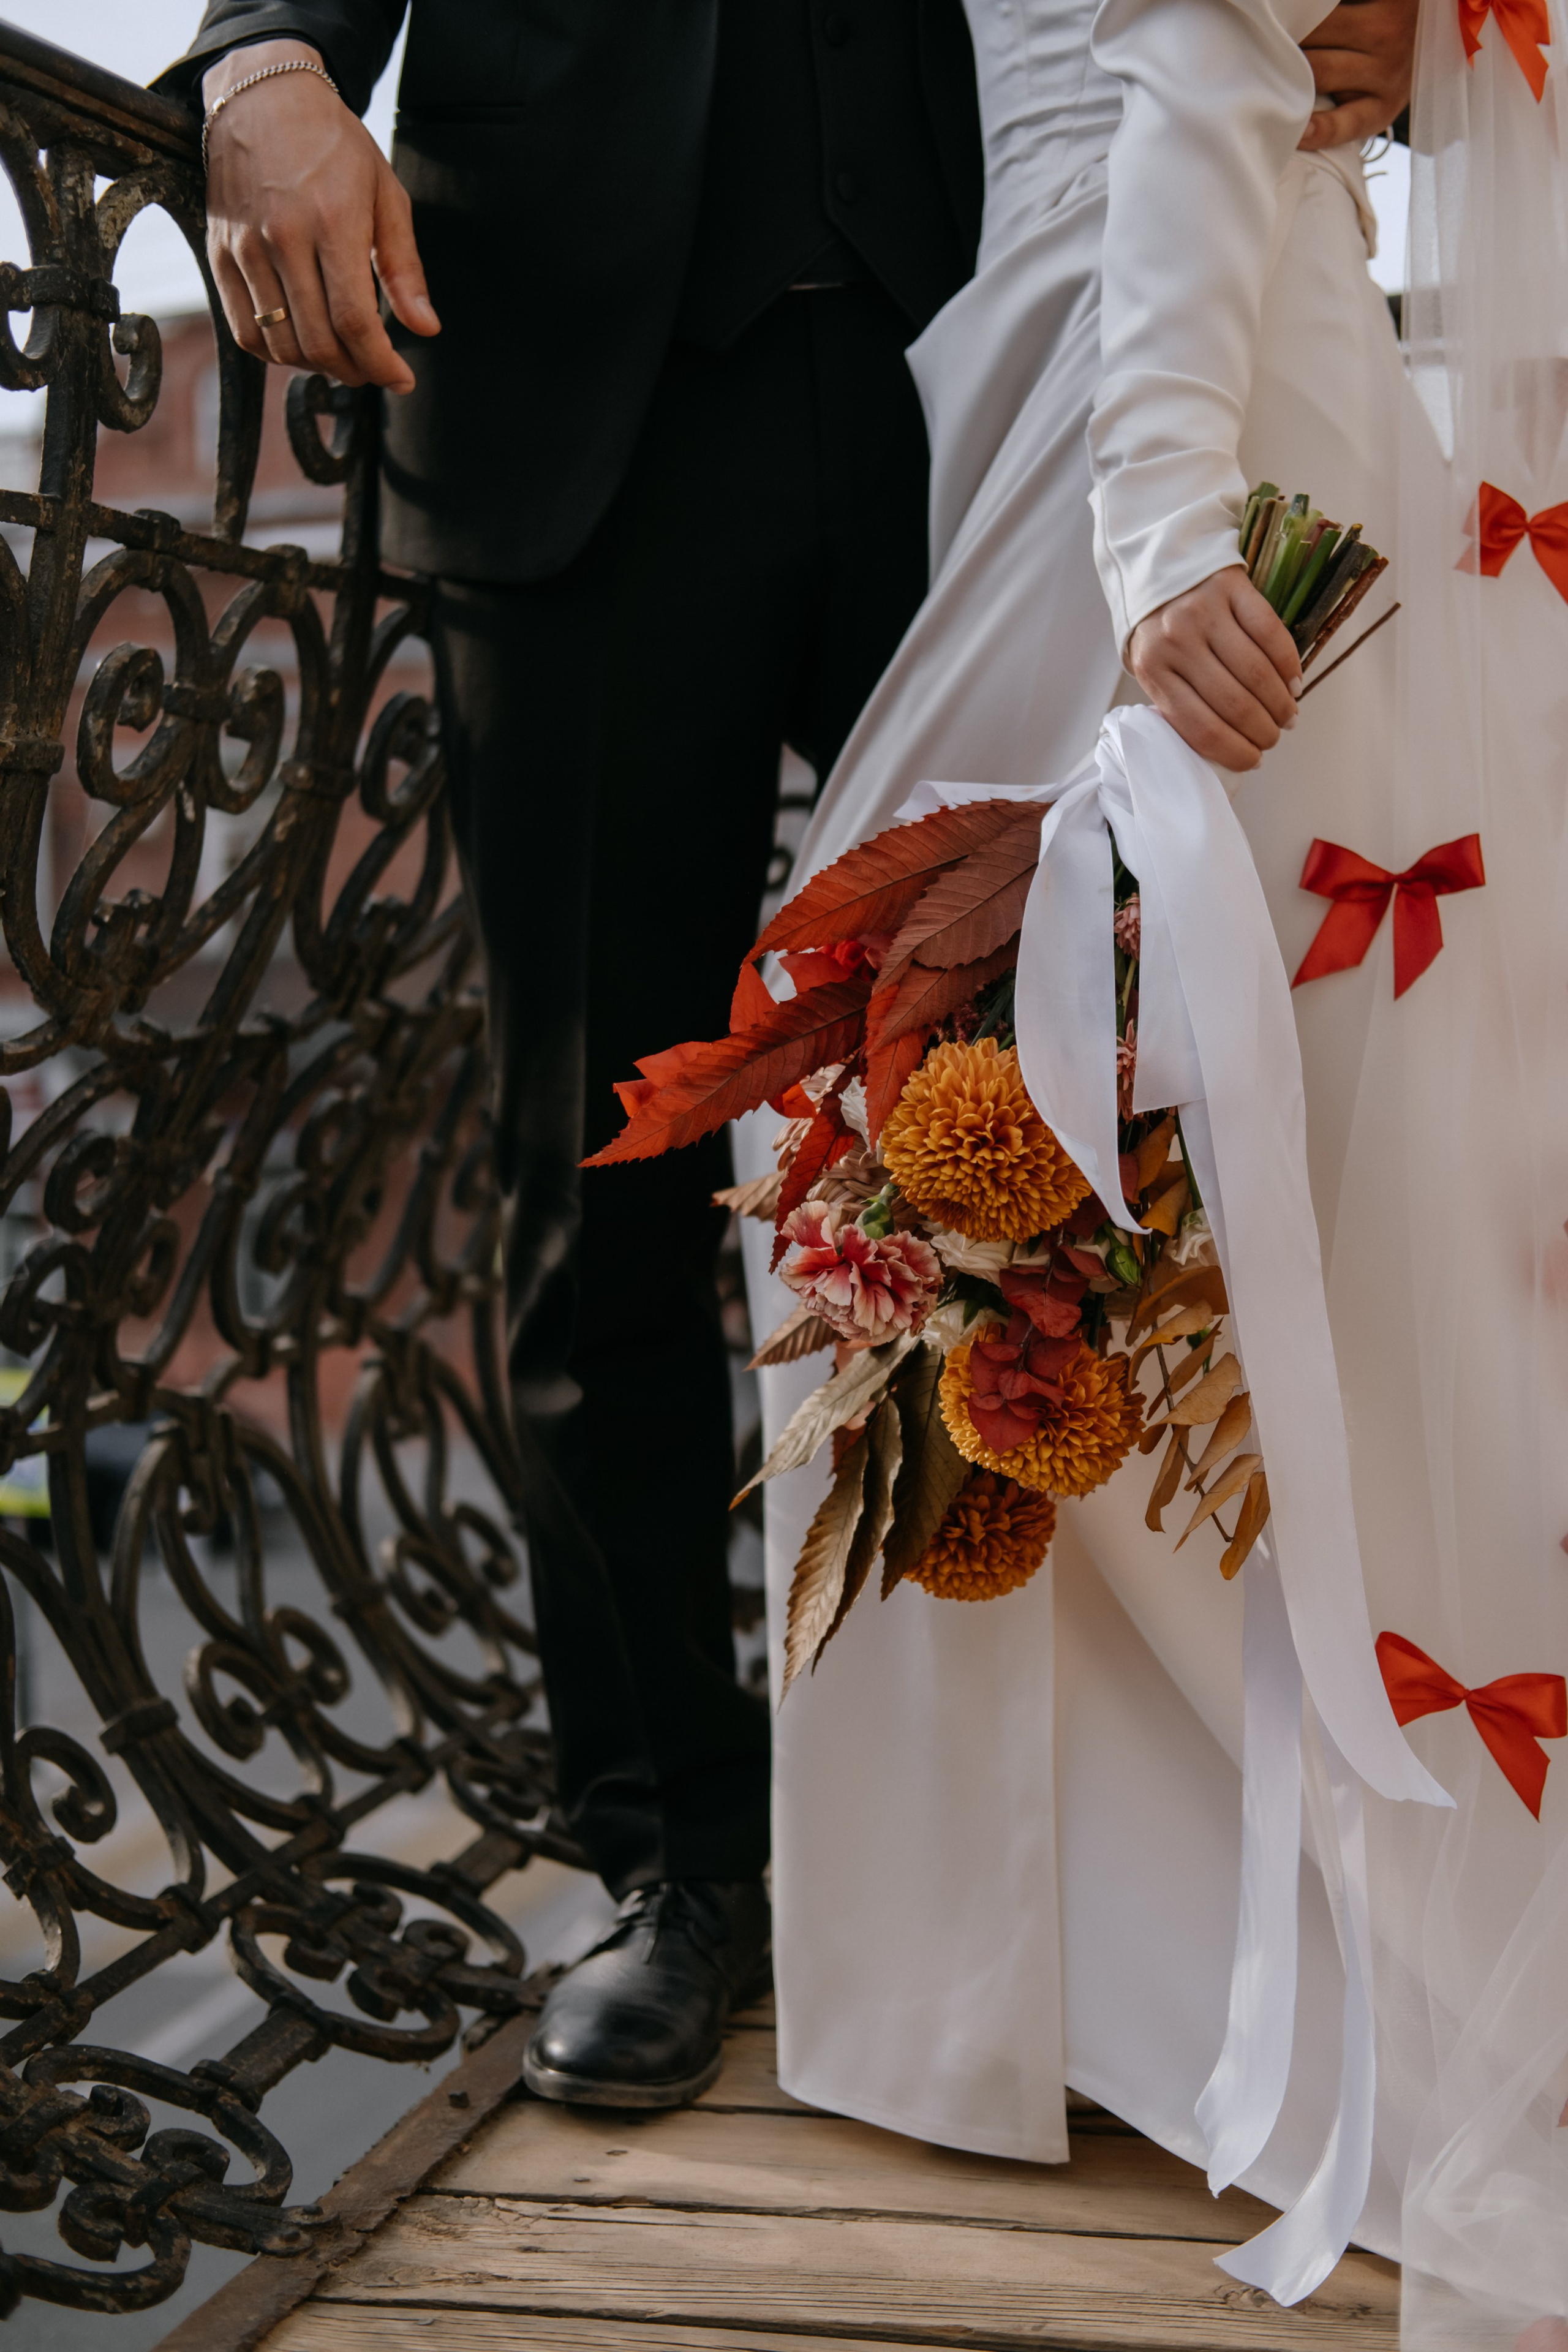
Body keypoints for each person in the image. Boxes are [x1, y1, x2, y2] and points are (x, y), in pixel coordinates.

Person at [154, 0, 1418, 2112]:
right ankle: (678, 1871)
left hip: (1000, 340)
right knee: (608, 1170)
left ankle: (1085, 1871)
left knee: (1079, 1115)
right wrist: (261, 54)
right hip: (575, 349)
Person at [739, 0, 1568, 2329]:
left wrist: (1164, 523)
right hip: (1081, 331)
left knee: (1010, 1071)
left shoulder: (1165, 393)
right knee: (1078, 1096)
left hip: (1155, 366)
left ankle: (1063, 1962)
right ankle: (1092, 1952)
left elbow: (1215, 62)